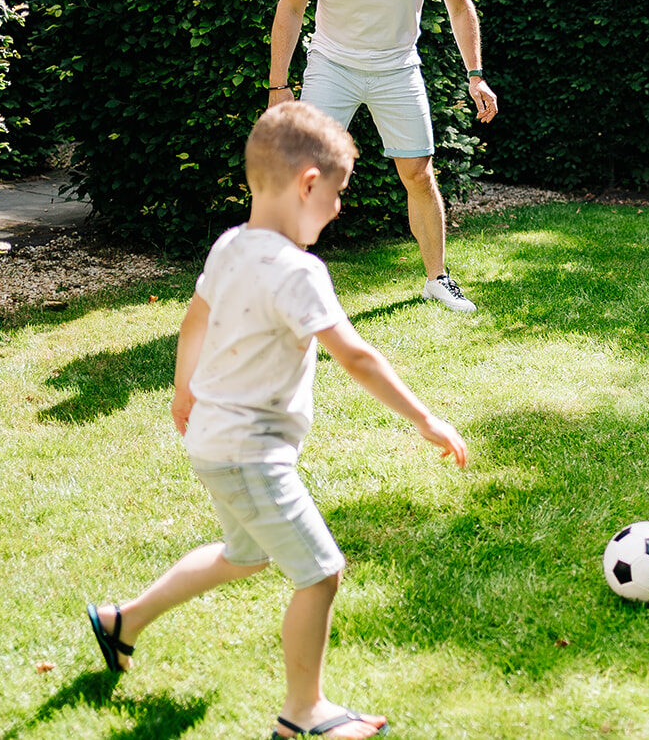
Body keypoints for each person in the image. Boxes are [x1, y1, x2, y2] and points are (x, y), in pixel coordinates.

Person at [85, 102, 469, 740]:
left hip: (216, 442)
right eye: (339, 193)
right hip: (251, 454)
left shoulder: (231, 245)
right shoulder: (299, 272)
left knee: (244, 556)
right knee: (319, 572)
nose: (340, 209)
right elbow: (356, 354)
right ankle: (304, 713)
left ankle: (120, 620)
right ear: (309, 184)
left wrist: (185, 391)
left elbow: (195, 319)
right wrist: (425, 419)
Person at [268, 0, 497, 314]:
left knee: (418, 171)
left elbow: (459, 7)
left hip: (397, 67)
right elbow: (291, 7)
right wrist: (278, 87)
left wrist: (476, 74)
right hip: (332, 64)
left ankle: (437, 279)